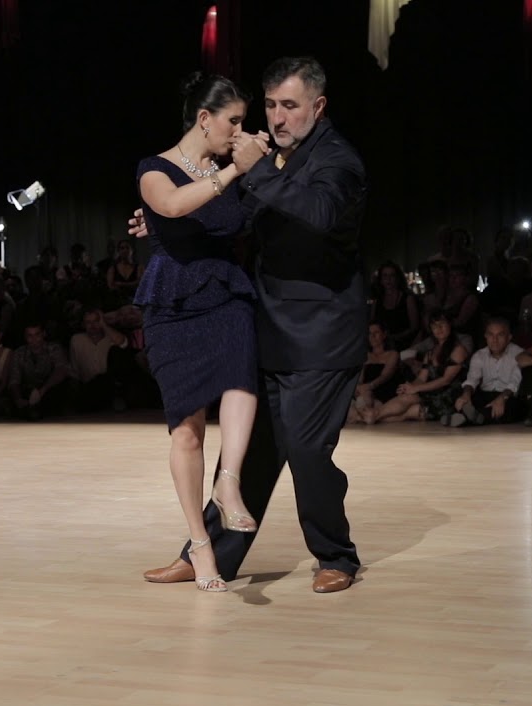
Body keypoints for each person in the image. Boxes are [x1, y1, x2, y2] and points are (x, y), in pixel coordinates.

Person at [134, 56, 369, 593]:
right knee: (252, 455)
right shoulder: (273, 157)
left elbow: (319, 214)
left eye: (290, 106)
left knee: (306, 450)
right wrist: (167, 223)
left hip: (321, 335)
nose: (277, 117)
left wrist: (253, 170)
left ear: (318, 106)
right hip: (268, 327)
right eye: (270, 105)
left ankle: (336, 555)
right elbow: (229, 217)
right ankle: (209, 555)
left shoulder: (338, 160)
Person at [132, 71, 263, 592]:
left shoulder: (235, 169)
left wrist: (255, 165)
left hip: (225, 289)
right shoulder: (154, 168)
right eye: (234, 121)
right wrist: (233, 171)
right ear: (204, 118)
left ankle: (228, 484)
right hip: (173, 301)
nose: (239, 131)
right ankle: (200, 546)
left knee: (241, 374)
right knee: (187, 431)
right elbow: (170, 205)